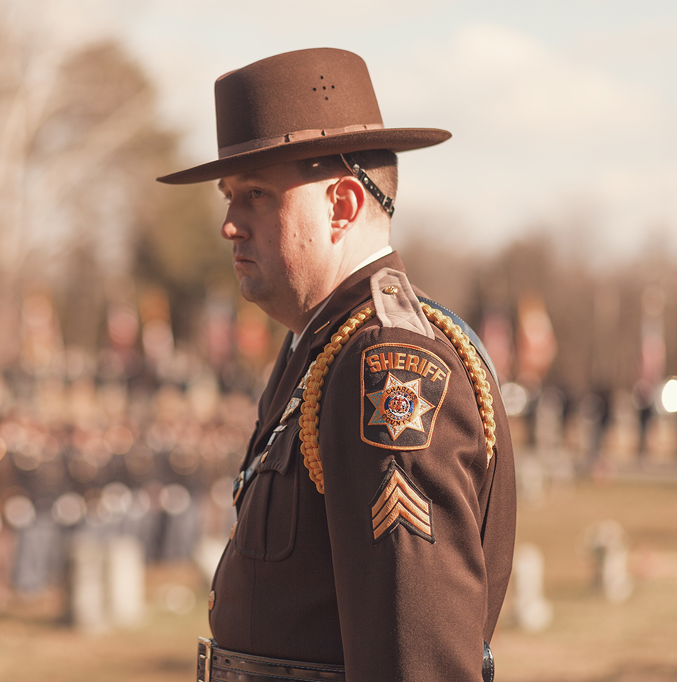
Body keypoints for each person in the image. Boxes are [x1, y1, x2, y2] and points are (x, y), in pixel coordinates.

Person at [157, 48, 516, 682]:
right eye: (229, 197)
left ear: (343, 206)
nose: (229, 225)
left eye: (257, 196)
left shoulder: (386, 364)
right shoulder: (320, 349)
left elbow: (416, 658)